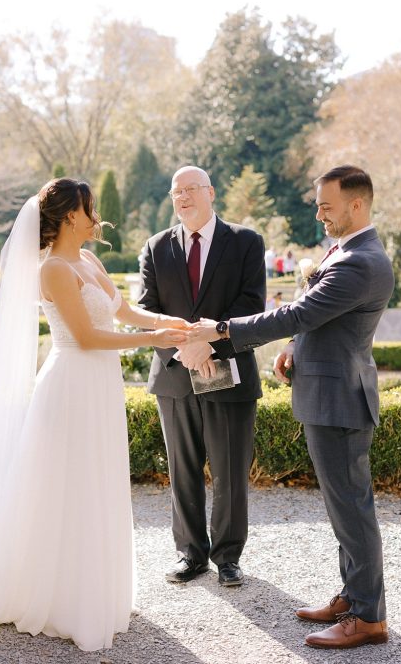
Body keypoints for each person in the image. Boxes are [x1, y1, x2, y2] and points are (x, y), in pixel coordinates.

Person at [0, 178, 188, 652]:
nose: (95, 213)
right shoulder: (55, 268)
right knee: (65, 484)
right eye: (88, 207)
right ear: (68, 215)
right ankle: (57, 596)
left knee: (96, 479)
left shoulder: (90, 259)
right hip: (71, 385)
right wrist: (153, 342)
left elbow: (122, 312)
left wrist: (168, 323)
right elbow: (86, 338)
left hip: (100, 386)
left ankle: (93, 588)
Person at [185, 165, 394, 650]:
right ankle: (354, 594)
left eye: (326, 204)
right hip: (330, 392)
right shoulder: (346, 250)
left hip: (339, 398)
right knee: (343, 505)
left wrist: (222, 330)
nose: (319, 212)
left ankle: (367, 617)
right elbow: (319, 320)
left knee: (352, 508)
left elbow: (299, 312)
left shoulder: (359, 261)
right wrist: (296, 348)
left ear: (356, 205)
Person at [138, 166, 266, 588]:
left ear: (211, 192)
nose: (182, 197)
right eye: (176, 192)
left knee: (230, 470)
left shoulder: (246, 242)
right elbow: (148, 311)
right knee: (183, 469)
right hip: (175, 376)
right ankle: (190, 554)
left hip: (229, 370)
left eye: (190, 189)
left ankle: (228, 557)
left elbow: (252, 304)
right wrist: (185, 350)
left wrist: (210, 344)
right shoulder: (156, 248)